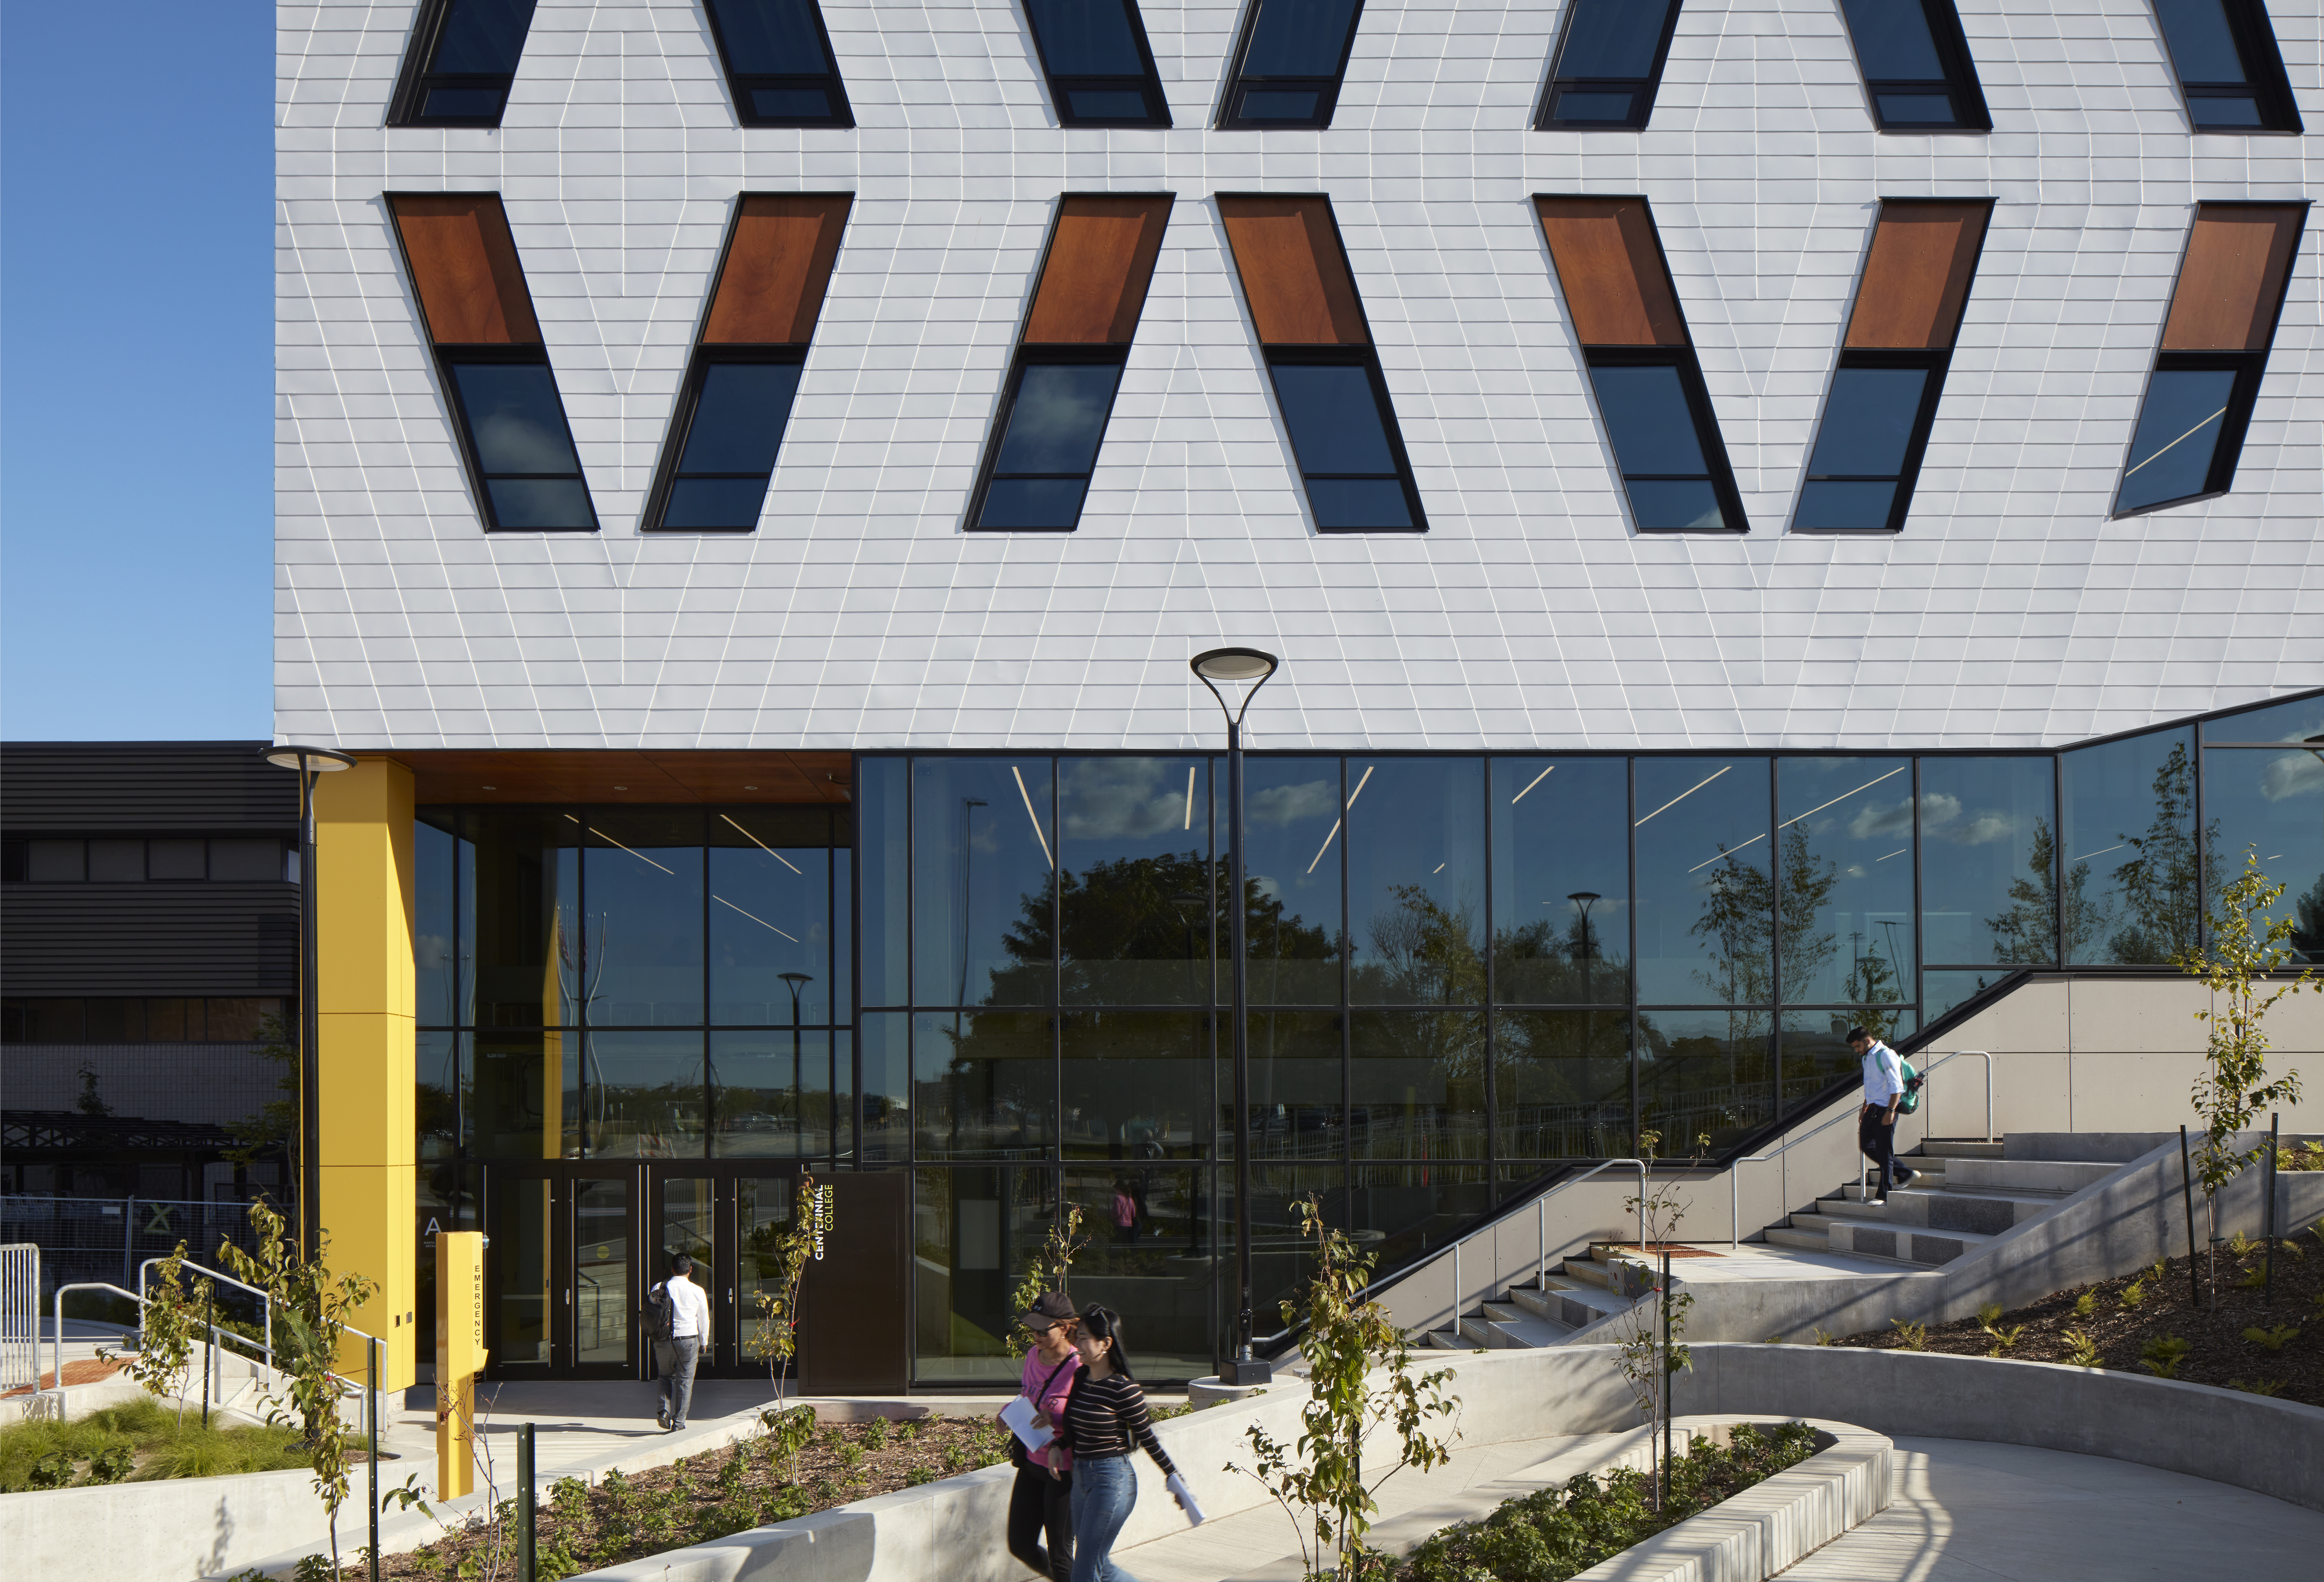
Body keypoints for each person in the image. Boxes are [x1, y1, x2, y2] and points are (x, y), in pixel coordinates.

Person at [1047, 1304, 1185, 1582]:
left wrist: (1174, 1478)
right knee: (1098, 1564)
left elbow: (1148, 1439)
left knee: (1084, 1572)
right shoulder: (1080, 1378)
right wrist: (1058, 1446)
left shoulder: (1124, 1389)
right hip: (1081, 1478)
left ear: (1106, 1343)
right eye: (1078, 1336)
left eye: (1084, 1337)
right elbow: (1074, 1429)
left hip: (1111, 1481)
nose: (1077, 1343)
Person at [1002, 1292, 1081, 1582]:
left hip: (1063, 1470)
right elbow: (1027, 1396)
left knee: (1061, 1555)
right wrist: (1006, 1412)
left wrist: (1056, 1418)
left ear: (1064, 1328)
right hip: (1031, 1461)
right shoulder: (1033, 1356)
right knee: (1020, 1545)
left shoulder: (1079, 1367)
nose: (1035, 1335)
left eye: (1042, 1329)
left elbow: (1089, 1416)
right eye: (1032, 1328)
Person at [1849, 1025, 1919, 1201]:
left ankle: (1884, 1194)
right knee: (1867, 1146)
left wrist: (1891, 1111)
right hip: (1872, 1109)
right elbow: (1870, 1085)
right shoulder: (1867, 1058)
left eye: (1858, 1046)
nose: (1857, 1051)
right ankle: (1905, 1173)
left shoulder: (1886, 1055)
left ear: (1867, 1041)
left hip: (1886, 1109)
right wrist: (1865, 1107)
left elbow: (1897, 1087)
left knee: (1884, 1151)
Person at [649, 1250, 711, 1431]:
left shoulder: (659, 1287)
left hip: (663, 1340)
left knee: (664, 1376)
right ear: (690, 1270)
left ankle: (663, 1411)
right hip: (688, 1341)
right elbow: (704, 1319)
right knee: (685, 1382)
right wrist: (704, 1341)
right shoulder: (697, 1291)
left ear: (672, 1269)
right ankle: (678, 1423)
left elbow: (652, 1313)